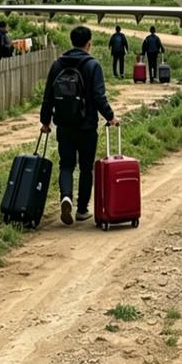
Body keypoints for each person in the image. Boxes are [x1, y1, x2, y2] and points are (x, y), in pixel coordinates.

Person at [40, 25, 117, 225]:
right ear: (88, 43)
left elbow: (48, 96)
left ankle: (66, 197)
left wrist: (45, 121)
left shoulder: (58, 64)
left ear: (72, 41)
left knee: (66, 165)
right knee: (85, 168)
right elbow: (99, 96)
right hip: (87, 126)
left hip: (64, 126)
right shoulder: (93, 65)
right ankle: (82, 209)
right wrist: (110, 117)